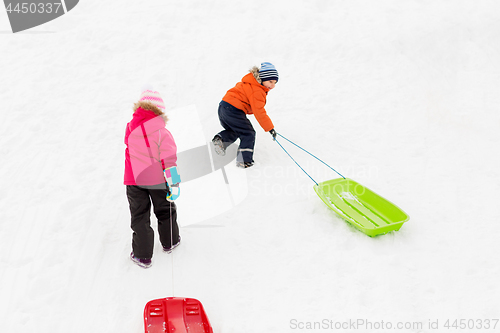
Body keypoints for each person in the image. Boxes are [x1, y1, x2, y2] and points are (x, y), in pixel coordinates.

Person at [124, 86, 181, 268]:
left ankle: (142, 255)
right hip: (156, 180)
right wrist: (173, 181)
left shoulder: (130, 128)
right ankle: (170, 241)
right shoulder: (162, 132)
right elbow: (169, 159)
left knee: (139, 215)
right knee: (165, 209)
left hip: (134, 180)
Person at [212, 62, 279, 168]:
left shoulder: (249, 83)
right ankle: (244, 161)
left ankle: (221, 141)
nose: (273, 85)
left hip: (223, 107)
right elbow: (259, 111)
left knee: (237, 130)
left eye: (275, 82)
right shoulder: (257, 90)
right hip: (234, 109)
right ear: (261, 78)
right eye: (270, 81)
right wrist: (270, 128)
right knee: (248, 133)